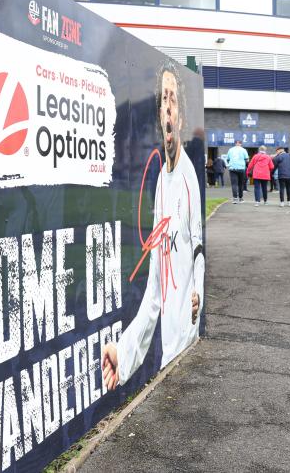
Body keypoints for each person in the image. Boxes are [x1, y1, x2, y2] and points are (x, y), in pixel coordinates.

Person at [102, 60, 203, 392]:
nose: (168, 108)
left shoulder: (188, 178)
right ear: (160, 115)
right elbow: (155, 292)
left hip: (187, 348)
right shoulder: (161, 181)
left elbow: (198, 247)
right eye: (164, 99)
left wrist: (197, 291)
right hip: (170, 360)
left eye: (174, 100)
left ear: (181, 117)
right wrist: (124, 352)